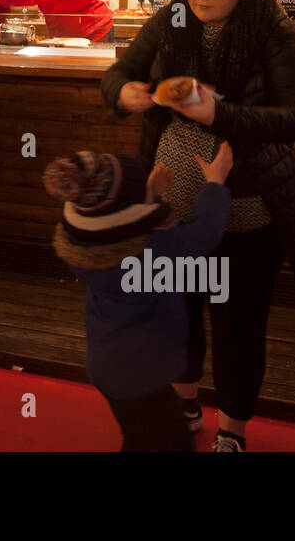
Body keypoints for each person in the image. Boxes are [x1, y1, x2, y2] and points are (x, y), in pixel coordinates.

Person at [101, 0, 295, 452]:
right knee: (178, 311)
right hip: (171, 207)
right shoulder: (174, 17)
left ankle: (233, 429)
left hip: (249, 204)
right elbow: (122, 68)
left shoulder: (277, 32)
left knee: (238, 325)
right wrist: (122, 91)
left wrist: (222, 115)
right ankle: (186, 403)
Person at [46, 145, 233, 451]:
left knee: (138, 434)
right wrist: (214, 183)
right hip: (142, 373)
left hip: (109, 367)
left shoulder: (85, 251)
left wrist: (148, 195)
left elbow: (117, 225)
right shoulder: (153, 253)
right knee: (171, 443)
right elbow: (203, 234)